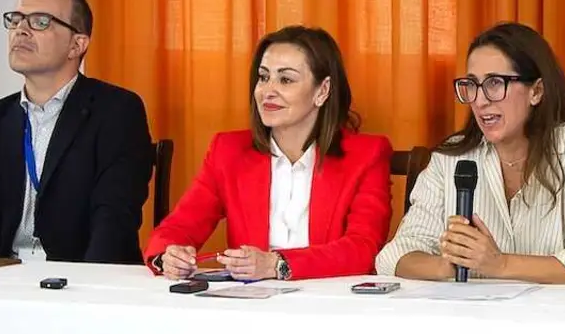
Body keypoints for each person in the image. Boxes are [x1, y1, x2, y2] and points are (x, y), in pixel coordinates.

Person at [376, 22, 565, 283]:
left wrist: (500, 265)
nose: (480, 101)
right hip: (474, 320)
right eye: (472, 85)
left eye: (494, 83)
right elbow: (396, 255)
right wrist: (448, 266)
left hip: (556, 321)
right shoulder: (451, 158)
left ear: (536, 91)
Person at [0, 0, 153, 264]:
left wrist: (85, 297)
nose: (21, 30)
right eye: (15, 20)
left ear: (77, 44)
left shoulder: (117, 111)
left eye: (40, 22)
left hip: (82, 281)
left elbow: (114, 221)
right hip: (7, 280)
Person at [146, 26, 392, 281]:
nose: (267, 91)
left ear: (323, 91)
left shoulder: (367, 155)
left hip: (331, 304)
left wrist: (277, 265)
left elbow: (364, 248)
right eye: (263, 77)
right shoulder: (228, 150)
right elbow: (178, 227)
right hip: (250, 306)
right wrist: (168, 256)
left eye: (285, 80)